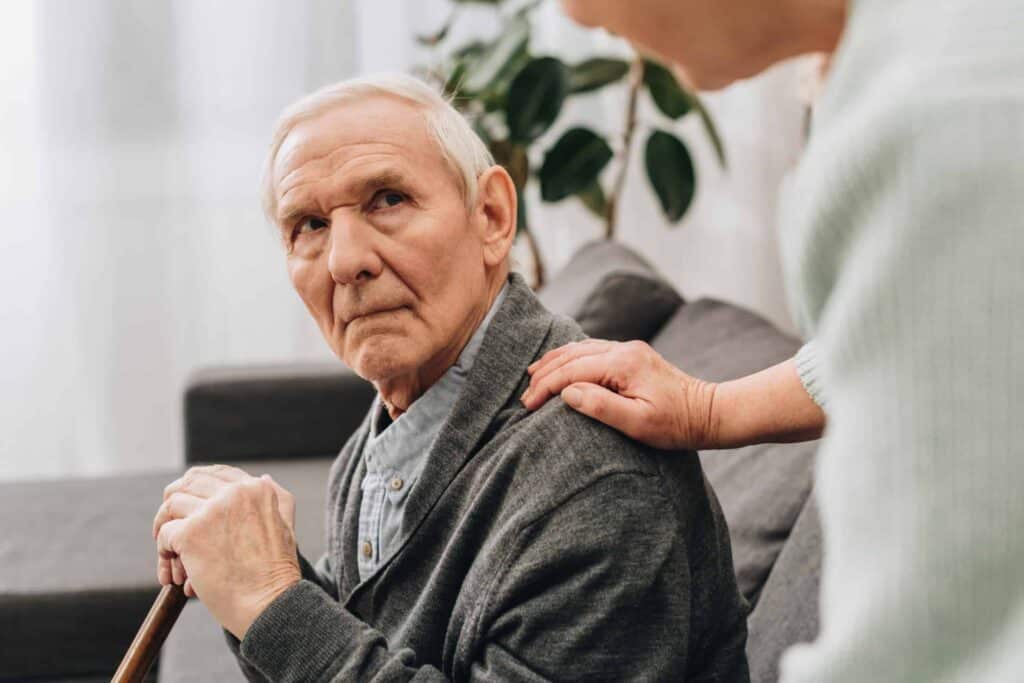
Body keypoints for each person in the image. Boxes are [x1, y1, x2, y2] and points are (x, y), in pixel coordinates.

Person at [151, 74, 749, 681]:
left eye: (387, 199)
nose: (345, 261)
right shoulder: (396, 421)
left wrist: (273, 605)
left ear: (491, 216)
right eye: (309, 224)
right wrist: (251, 571)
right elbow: (361, 640)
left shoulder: (595, 482)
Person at [525, 1, 1024, 681]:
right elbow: (942, 325)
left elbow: (924, 651)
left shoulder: (936, 121)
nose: (576, 17)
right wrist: (709, 408)